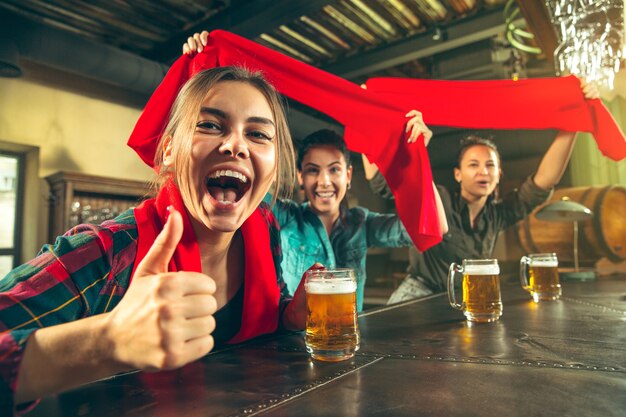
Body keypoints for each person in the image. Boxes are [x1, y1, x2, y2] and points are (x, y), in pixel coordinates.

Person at [0, 66, 308, 414]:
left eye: (258, 134)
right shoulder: (108, 251)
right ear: (168, 152)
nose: (236, 145)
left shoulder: (265, 228)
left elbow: (262, 314)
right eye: (209, 125)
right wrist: (108, 341)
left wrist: (288, 317)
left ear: (275, 165)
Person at [183, 32, 448, 312]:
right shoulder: (284, 216)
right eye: (312, 171)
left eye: (334, 170)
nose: (324, 181)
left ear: (347, 175)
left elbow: (434, 227)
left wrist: (418, 155)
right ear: (300, 177)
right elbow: (248, 184)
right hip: (296, 340)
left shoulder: (362, 223)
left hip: (348, 339)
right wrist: (202, 67)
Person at [363, 79, 600, 303]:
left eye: (490, 166)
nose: (482, 172)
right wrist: (363, 114)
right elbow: (380, 181)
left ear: (498, 175)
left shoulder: (498, 215)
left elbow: (543, 182)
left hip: (471, 296)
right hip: (420, 292)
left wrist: (574, 122)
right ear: (458, 174)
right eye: (473, 165)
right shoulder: (440, 199)